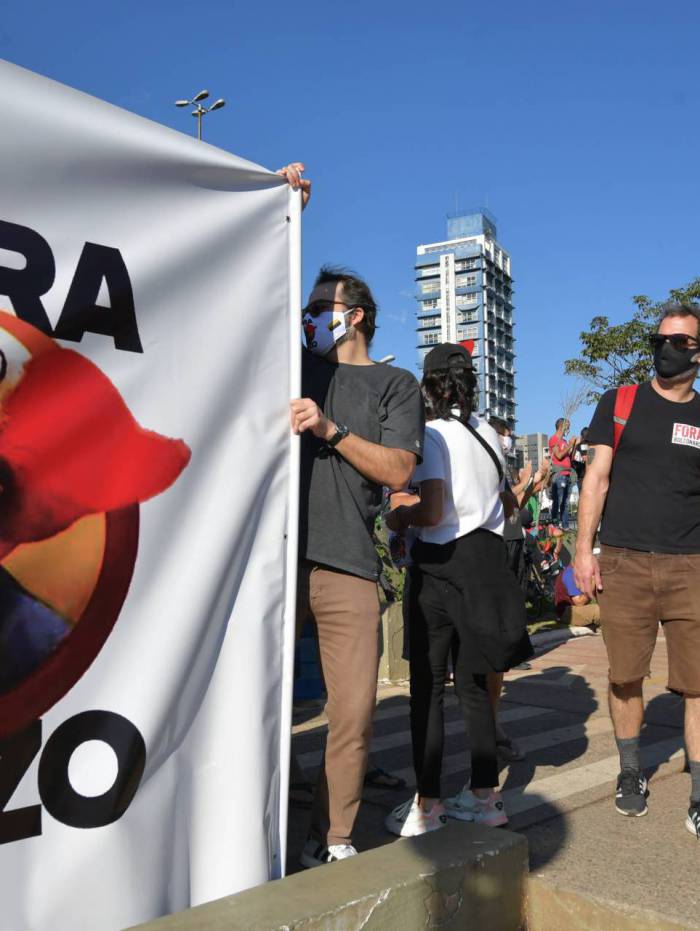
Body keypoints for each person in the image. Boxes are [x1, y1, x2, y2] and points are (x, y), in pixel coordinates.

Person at [290, 264, 425, 867]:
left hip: (347, 564)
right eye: (308, 309)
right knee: (252, 706)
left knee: (351, 714)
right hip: (275, 563)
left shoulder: (395, 383)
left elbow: (399, 469)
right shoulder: (292, 366)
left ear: (356, 315)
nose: (310, 318)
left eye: (321, 307)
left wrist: (330, 429)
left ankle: (332, 838)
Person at [383, 343, 532, 838]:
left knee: (427, 689)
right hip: (486, 564)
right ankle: (486, 798)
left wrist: (399, 514)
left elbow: (432, 511)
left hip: (441, 566)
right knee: (475, 686)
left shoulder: (430, 435)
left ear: (428, 386)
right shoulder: (487, 432)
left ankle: (428, 805)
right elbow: (507, 503)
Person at [574, 301, 700, 835]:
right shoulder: (620, 402)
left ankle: (699, 791)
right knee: (625, 676)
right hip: (624, 562)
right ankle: (630, 770)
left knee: (698, 685)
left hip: (692, 566)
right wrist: (584, 551)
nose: (667, 349)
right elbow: (596, 478)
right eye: (660, 340)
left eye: (681, 341)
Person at [548, 418, 578, 529]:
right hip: (559, 474)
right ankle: (554, 524)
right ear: (561, 426)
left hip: (567, 474)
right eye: (567, 427)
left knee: (565, 502)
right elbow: (559, 455)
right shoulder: (554, 439)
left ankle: (565, 526)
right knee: (558, 500)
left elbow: (570, 457)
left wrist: (573, 445)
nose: (568, 430)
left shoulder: (564, 441)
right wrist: (570, 444)